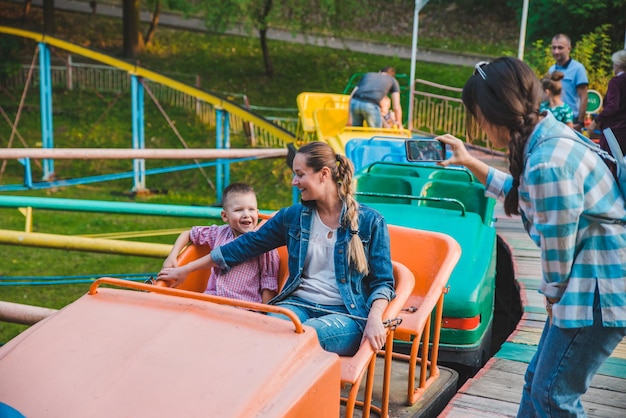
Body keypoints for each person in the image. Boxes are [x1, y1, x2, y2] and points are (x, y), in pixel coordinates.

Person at [436, 57, 626, 417]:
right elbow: (525, 194)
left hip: (598, 289)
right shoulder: (549, 135)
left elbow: (558, 243)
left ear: (489, 111)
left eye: (476, 115)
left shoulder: (547, 161)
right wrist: (469, 161)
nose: (479, 127)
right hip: (592, 283)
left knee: (554, 396)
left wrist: (553, 294)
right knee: (538, 381)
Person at [158, 141, 395, 356]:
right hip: (297, 305)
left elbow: (383, 282)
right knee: (270, 330)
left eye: (300, 174)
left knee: (302, 335)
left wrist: (375, 317)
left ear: (323, 174)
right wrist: (186, 269)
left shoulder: (370, 222)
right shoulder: (292, 217)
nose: (294, 181)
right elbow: (242, 247)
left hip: (345, 315)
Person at [160, 182, 279, 304]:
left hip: (242, 306)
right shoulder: (218, 233)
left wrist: (264, 313)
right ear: (225, 216)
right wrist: (172, 256)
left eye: (251, 209)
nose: (246, 215)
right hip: (211, 299)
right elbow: (188, 234)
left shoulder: (264, 244)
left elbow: (268, 282)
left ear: (257, 212)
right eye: (238, 210)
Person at [589, 49, 626, 155]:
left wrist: (596, 121)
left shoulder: (616, 82)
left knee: (609, 164)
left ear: (619, 64)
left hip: (615, 132)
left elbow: (612, 106)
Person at [549, 34, 589, 131]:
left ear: (569, 49)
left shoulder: (578, 69)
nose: (556, 51)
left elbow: (584, 97)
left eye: (560, 48)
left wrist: (580, 122)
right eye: (554, 48)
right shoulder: (551, 70)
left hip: (571, 120)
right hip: (554, 118)